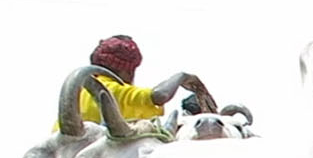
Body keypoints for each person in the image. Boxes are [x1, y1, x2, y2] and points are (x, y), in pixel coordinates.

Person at [63, 35, 216, 126]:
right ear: (126, 69)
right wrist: (183, 77)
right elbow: (159, 95)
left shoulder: (79, 92)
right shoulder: (109, 90)